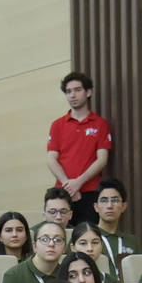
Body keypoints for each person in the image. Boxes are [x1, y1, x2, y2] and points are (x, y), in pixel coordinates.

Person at [46, 71, 112, 224]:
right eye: (68, 91)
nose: (72, 95)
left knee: (88, 233)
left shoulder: (100, 124)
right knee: (58, 233)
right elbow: (51, 159)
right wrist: (69, 185)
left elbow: (102, 160)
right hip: (61, 192)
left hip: (90, 192)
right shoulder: (57, 125)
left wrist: (78, 182)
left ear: (88, 92)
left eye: (77, 90)